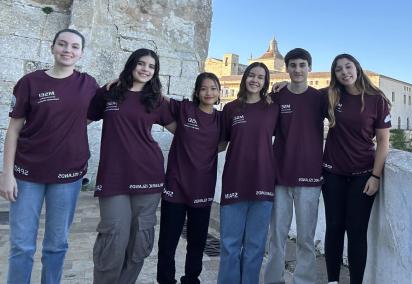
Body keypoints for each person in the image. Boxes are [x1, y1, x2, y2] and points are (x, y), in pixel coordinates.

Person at [0, 29, 98, 283]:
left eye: (74, 46)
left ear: (81, 53)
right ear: (52, 47)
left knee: (56, 245)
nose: (68, 50)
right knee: (22, 245)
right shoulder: (29, 82)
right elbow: (13, 130)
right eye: (62, 44)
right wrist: (6, 174)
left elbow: (101, 110)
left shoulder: (88, 84)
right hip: (26, 175)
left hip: (67, 176)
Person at [87, 48, 175, 284]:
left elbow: (185, 130)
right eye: (141, 64)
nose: (146, 69)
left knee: (139, 240)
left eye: (151, 66)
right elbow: (78, 120)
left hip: (149, 176)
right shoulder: (110, 93)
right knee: (113, 238)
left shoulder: (156, 100)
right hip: (113, 177)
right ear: (131, 65)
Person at [322, 54, 391, 284]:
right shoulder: (331, 96)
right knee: (333, 228)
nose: (344, 72)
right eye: (339, 69)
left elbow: (383, 141)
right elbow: (302, 96)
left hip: (363, 176)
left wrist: (376, 175)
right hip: (332, 174)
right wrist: (281, 86)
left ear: (357, 68)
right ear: (335, 75)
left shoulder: (376, 99)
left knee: (356, 232)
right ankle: (332, 280)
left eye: (348, 67)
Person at [264, 48, 327, 284]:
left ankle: (304, 281)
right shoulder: (278, 96)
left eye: (302, 65)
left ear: (309, 67)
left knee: (305, 238)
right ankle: (273, 280)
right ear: (287, 68)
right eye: (293, 65)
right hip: (279, 176)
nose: (298, 70)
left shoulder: (320, 98)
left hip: (310, 177)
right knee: (277, 236)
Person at [156, 72, 222, 284]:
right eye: (204, 88)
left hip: (203, 188)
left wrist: (203, 151)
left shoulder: (221, 119)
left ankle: (191, 279)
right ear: (196, 92)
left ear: (219, 92)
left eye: (213, 88)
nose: (208, 92)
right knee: (168, 241)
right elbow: (158, 96)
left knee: (197, 241)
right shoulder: (185, 108)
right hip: (175, 186)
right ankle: (166, 280)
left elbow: (224, 144)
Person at [217, 62, 279, 284]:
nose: (255, 80)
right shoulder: (231, 108)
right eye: (251, 75)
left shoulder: (273, 106)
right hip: (235, 181)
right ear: (244, 78)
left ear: (265, 82)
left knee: (255, 246)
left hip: (263, 182)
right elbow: (220, 143)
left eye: (261, 77)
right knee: (229, 245)